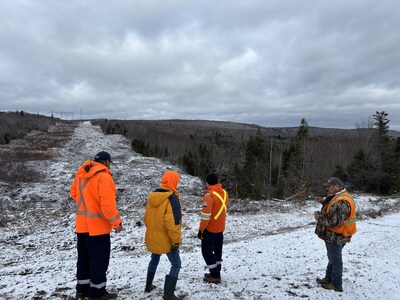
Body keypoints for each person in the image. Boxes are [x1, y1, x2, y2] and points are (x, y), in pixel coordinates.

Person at [70, 151, 123, 300]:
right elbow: (107, 206)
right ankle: (97, 293)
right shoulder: (104, 177)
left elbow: (74, 193)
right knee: (99, 261)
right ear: (106, 162)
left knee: (84, 259)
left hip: (82, 226)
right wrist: (117, 223)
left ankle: (82, 290)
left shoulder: (81, 175)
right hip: (98, 228)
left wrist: (87, 203)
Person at [144, 170, 182, 300]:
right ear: (174, 181)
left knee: (154, 258)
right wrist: (176, 242)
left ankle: (148, 286)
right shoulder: (172, 198)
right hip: (166, 239)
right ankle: (168, 294)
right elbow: (173, 224)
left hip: (152, 236)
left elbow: (146, 218)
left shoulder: (153, 196)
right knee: (176, 264)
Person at [314, 177, 357, 292]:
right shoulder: (340, 196)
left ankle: (336, 284)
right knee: (333, 258)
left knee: (335, 259)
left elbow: (333, 221)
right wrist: (323, 202)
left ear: (337, 187)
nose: (327, 188)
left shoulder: (342, 201)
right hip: (336, 234)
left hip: (337, 235)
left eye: (329, 186)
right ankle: (328, 279)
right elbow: (334, 207)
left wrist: (319, 218)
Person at [197, 172, 229, 284]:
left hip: (210, 229)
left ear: (207, 182)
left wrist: (201, 230)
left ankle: (215, 275)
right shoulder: (225, 193)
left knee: (206, 252)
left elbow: (205, 216)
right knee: (218, 250)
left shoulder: (209, 196)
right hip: (221, 227)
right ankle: (216, 270)